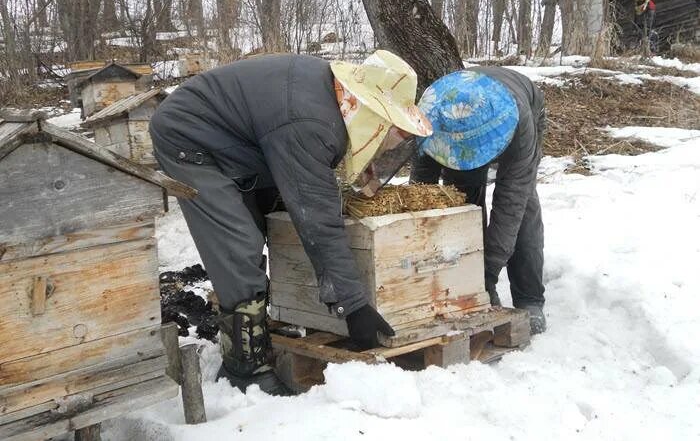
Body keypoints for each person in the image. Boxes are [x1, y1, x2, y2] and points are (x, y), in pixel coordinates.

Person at [149, 51, 432, 394]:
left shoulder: (326, 105)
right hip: (189, 138)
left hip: (246, 141)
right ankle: (244, 368)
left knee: (276, 221)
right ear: (368, 109)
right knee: (239, 243)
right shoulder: (311, 123)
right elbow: (318, 219)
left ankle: (275, 316)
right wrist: (354, 306)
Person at [410, 66, 547, 334]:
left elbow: (510, 203)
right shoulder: (429, 115)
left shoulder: (519, 124)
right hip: (458, 123)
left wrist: (488, 271)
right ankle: (469, 287)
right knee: (462, 200)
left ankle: (529, 298)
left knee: (523, 205)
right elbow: (421, 186)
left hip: (524, 107)